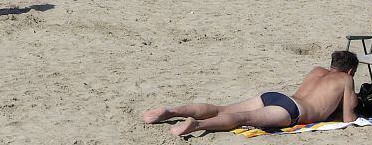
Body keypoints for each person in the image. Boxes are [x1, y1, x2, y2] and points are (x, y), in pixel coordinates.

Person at [143, 51, 358, 136]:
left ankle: (171, 111)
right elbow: (349, 119)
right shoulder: (346, 79)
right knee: (241, 118)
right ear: (349, 71)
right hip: (293, 111)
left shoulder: (317, 71)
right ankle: (196, 125)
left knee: (222, 108)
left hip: (278, 97)